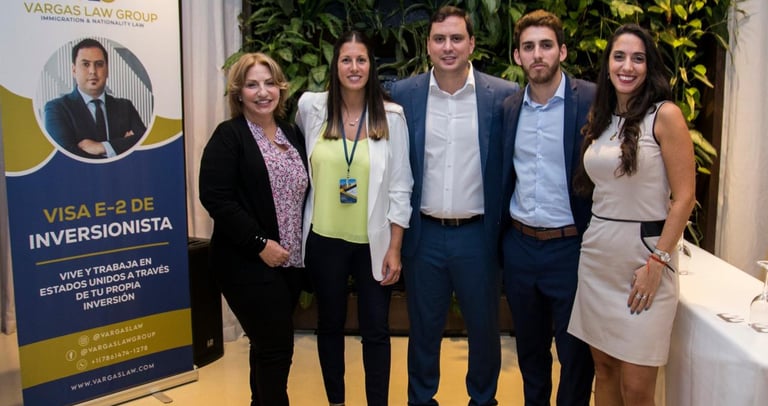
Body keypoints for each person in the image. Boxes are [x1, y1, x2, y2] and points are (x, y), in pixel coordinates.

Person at [388, 6, 519, 405]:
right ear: (428, 45)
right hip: (424, 234)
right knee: (423, 331)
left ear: (471, 44)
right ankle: (421, 399)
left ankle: (483, 399)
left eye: (457, 38)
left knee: (484, 330)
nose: (448, 47)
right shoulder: (404, 95)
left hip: (478, 236)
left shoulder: (502, 96)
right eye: (440, 39)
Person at [567, 23, 696, 405]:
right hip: (597, 259)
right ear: (607, 64)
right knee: (604, 370)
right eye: (619, 57)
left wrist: (658, 261)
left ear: (649, 65)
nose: (627, 66)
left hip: (644, 260)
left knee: (637, 388)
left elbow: (685, 197)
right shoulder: (601, 117)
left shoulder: (665, 116)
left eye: (637, 58)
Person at [295, 30, 413, 406]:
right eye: (346, 59)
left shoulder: (391, 117)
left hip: (373, 243)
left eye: (361, 59)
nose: (354, 67)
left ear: (371, 66)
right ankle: (336, 401)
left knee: (376, 330)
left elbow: (401, 186)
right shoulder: (311, 108)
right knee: (329, 326)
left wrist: (395, 247)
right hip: (324, 239)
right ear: (335, 65)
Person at [198, 52, 308, 406]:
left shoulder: (291, 133)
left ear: (280, 88)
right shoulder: (229, 136)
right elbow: (216, 198)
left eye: (269, 83)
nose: (262, 92)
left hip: (289, 263)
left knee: (265, 347)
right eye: (252, 85)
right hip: (246, 261)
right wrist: (261, 243)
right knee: (276, 349)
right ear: (238, 93)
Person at [499, 10, 595, 406]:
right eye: (528, 47)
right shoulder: (508, 108)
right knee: (530, 352)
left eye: (546, 45)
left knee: (575, 356)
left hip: (572, 248)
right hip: (521, 247)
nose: (537, 54)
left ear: (562, 51)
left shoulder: (591, 100)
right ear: (518, 56)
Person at [44, 38, 146, 159]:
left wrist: (102, 147)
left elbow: (144, 142)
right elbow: (67, 155)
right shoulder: (56, 109)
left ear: (107, 70)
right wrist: (121, 146)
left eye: (99, 64)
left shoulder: (125, 107)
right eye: (86, 64)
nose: (93, 71)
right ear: (74, 70)